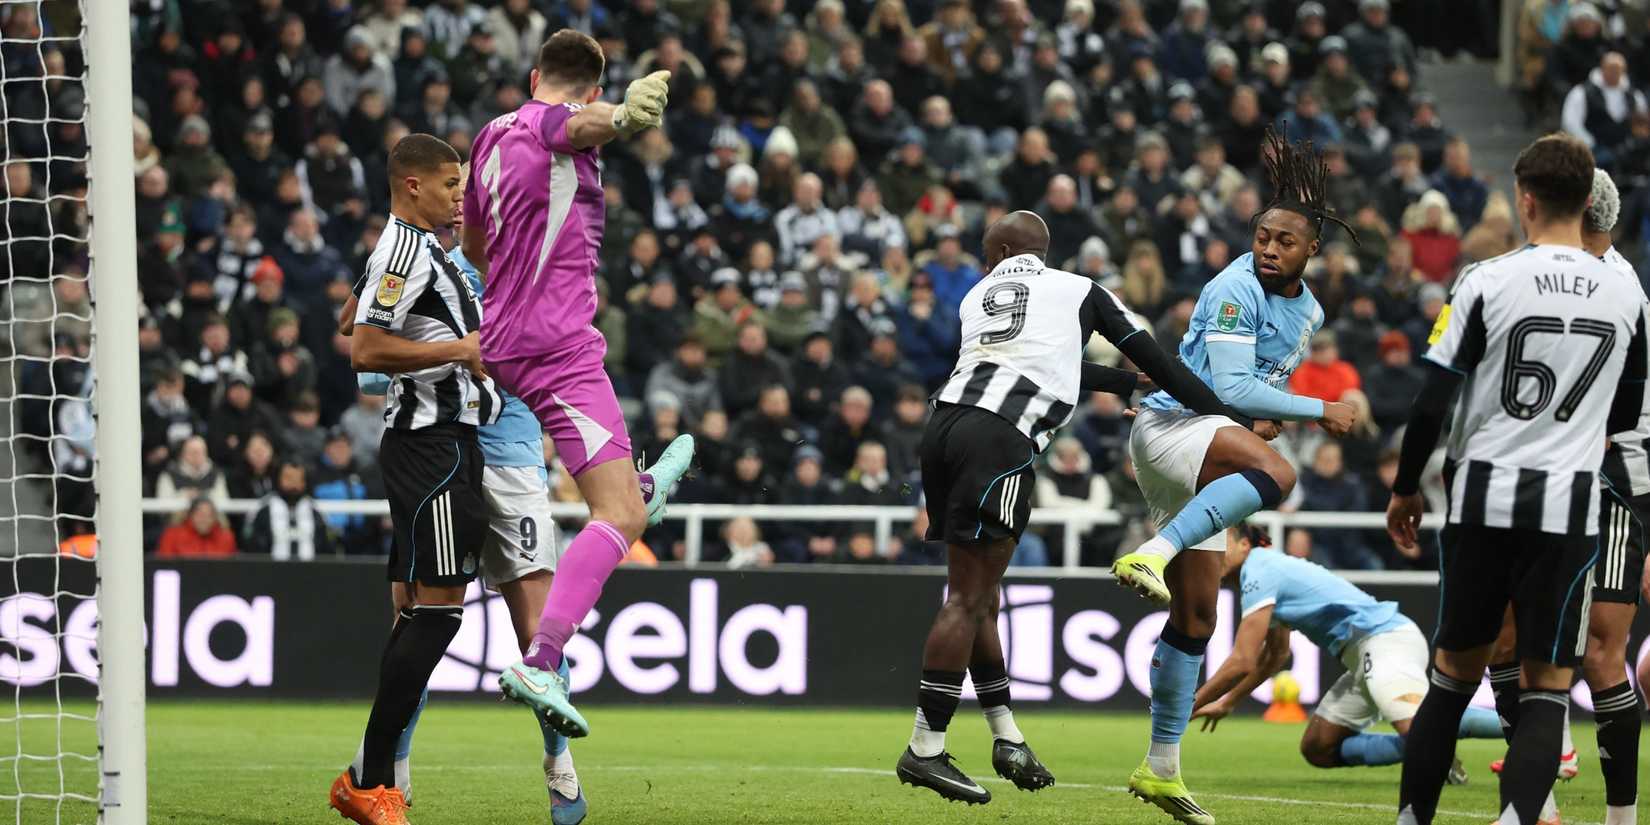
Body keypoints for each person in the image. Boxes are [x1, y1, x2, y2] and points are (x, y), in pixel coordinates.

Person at [898, 210, 1252, 805]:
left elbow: (1044, 363)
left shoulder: (977, 296)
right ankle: (925, 747)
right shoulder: (1079, 289)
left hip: (945, 429)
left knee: (979, 596)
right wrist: (1227, 415)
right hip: (999, 437)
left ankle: (1006, 736)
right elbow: (1160, 361)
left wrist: (1126, 384)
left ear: (1001, 253)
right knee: (968, 600)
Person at [1385, 133, 1649, 825]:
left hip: (1484, 495)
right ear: (1587, 202)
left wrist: (1405, 486)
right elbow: (1626, 414)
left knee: (1452, 677)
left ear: (1524, 200)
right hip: (1568, 505)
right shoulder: (1627, 295)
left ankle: (1412, 819)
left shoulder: (1486, 279)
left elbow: (1433, 400)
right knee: (1548, 688)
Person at [1109, 128, 1360, 825]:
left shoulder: (1308, 308)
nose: (1269, 248)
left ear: (1312, 250)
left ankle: (1161, 768)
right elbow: (1231, 385)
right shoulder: (1232, 287)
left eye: (1285, 241)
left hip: (1203, 442)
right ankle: (1151, 551)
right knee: (1278, 473)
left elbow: (1253, 388)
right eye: (1262, 237)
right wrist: (1316, 409)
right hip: (1171, 430)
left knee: (1196, 616)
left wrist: (1261, 413)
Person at [458, 30, 695, 736]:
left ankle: (640, 485)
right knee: (618, 518)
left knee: (621, 487)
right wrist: (622, 116)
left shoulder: (488, 135)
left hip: (507, 338)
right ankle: (542, 660)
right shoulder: (560, 122)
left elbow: (473, 243)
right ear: (590, 87)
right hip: (553, 345)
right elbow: (577, 125)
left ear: (534, 74)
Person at [340, 234, 593, 824]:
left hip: (511, 463)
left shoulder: (541, 274)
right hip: (435, 454)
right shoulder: (429, 264)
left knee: (538, 635)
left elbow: (560, 366)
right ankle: (391, 765)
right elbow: (368, 367)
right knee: (414, 620)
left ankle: (559, 763)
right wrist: (447, 354)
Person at [326, 133, 503, 825]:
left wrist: (371, 294)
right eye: (451, 185)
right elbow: (364, 348)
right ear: (413, 186)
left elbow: (354, 317)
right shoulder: (406, 250)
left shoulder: (412, 249)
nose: (461, 197)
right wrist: (461, 348)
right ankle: (368, 778)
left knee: (416, 611)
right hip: (434, 448)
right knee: (439, 611)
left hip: (439, 446)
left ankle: (371, 776)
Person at [1189, 524, 1501, 779]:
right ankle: (1435, 749)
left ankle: (1525, 730)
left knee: (1418, 728)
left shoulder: (1259, 569)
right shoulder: (1264, 572)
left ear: (1244, 544)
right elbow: (1275, 655)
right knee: (1319, 747)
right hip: (1366, 655)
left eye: (1220, 546)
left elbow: (1242, 660)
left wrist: (1186, 706)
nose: (1213, 556)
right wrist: (1228, 702)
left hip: (1385, 640)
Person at [1569, 168, 1645, 825]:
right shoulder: (1555, 273)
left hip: (1617, 484)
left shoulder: (1619, 289)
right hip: (1558, 477)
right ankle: (1534, 802)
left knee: (1600, 652)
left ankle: (1621, 818)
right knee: (1521, 640)